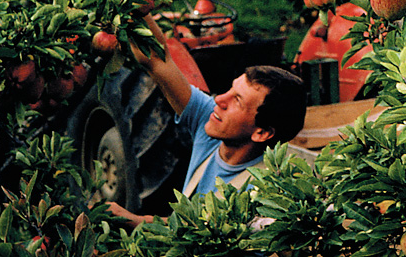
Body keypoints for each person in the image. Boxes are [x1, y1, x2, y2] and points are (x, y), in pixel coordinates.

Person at [106, 13, 306, 227]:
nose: (219, 99)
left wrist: (133, 221)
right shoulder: (213, 125)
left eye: (237, 101)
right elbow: (157, 59)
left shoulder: (262, 197)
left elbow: (199, 232)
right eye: (230, 89)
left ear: (262, 133)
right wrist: (139, 10)